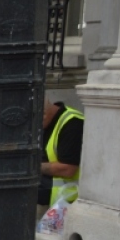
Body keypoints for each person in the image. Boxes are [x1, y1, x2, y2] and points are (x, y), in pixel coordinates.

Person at [37, 96, 84, 224]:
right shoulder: (44, 122)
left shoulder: (73, 123)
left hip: (63, 203)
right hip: (44, 199)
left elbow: (68, 169)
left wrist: (31, 166)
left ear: (44, 115)